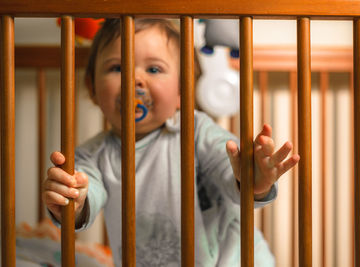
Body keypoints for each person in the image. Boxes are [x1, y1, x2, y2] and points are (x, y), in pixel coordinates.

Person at [42, 18, 300, 267]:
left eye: (153, 69)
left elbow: (225, 164)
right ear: (93, 88)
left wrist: (250, 178)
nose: (135, 80)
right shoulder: (92, 156)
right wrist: (72, 200)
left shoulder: (196, 132)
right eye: (117, 68)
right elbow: (88, 190)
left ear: (181, 91)